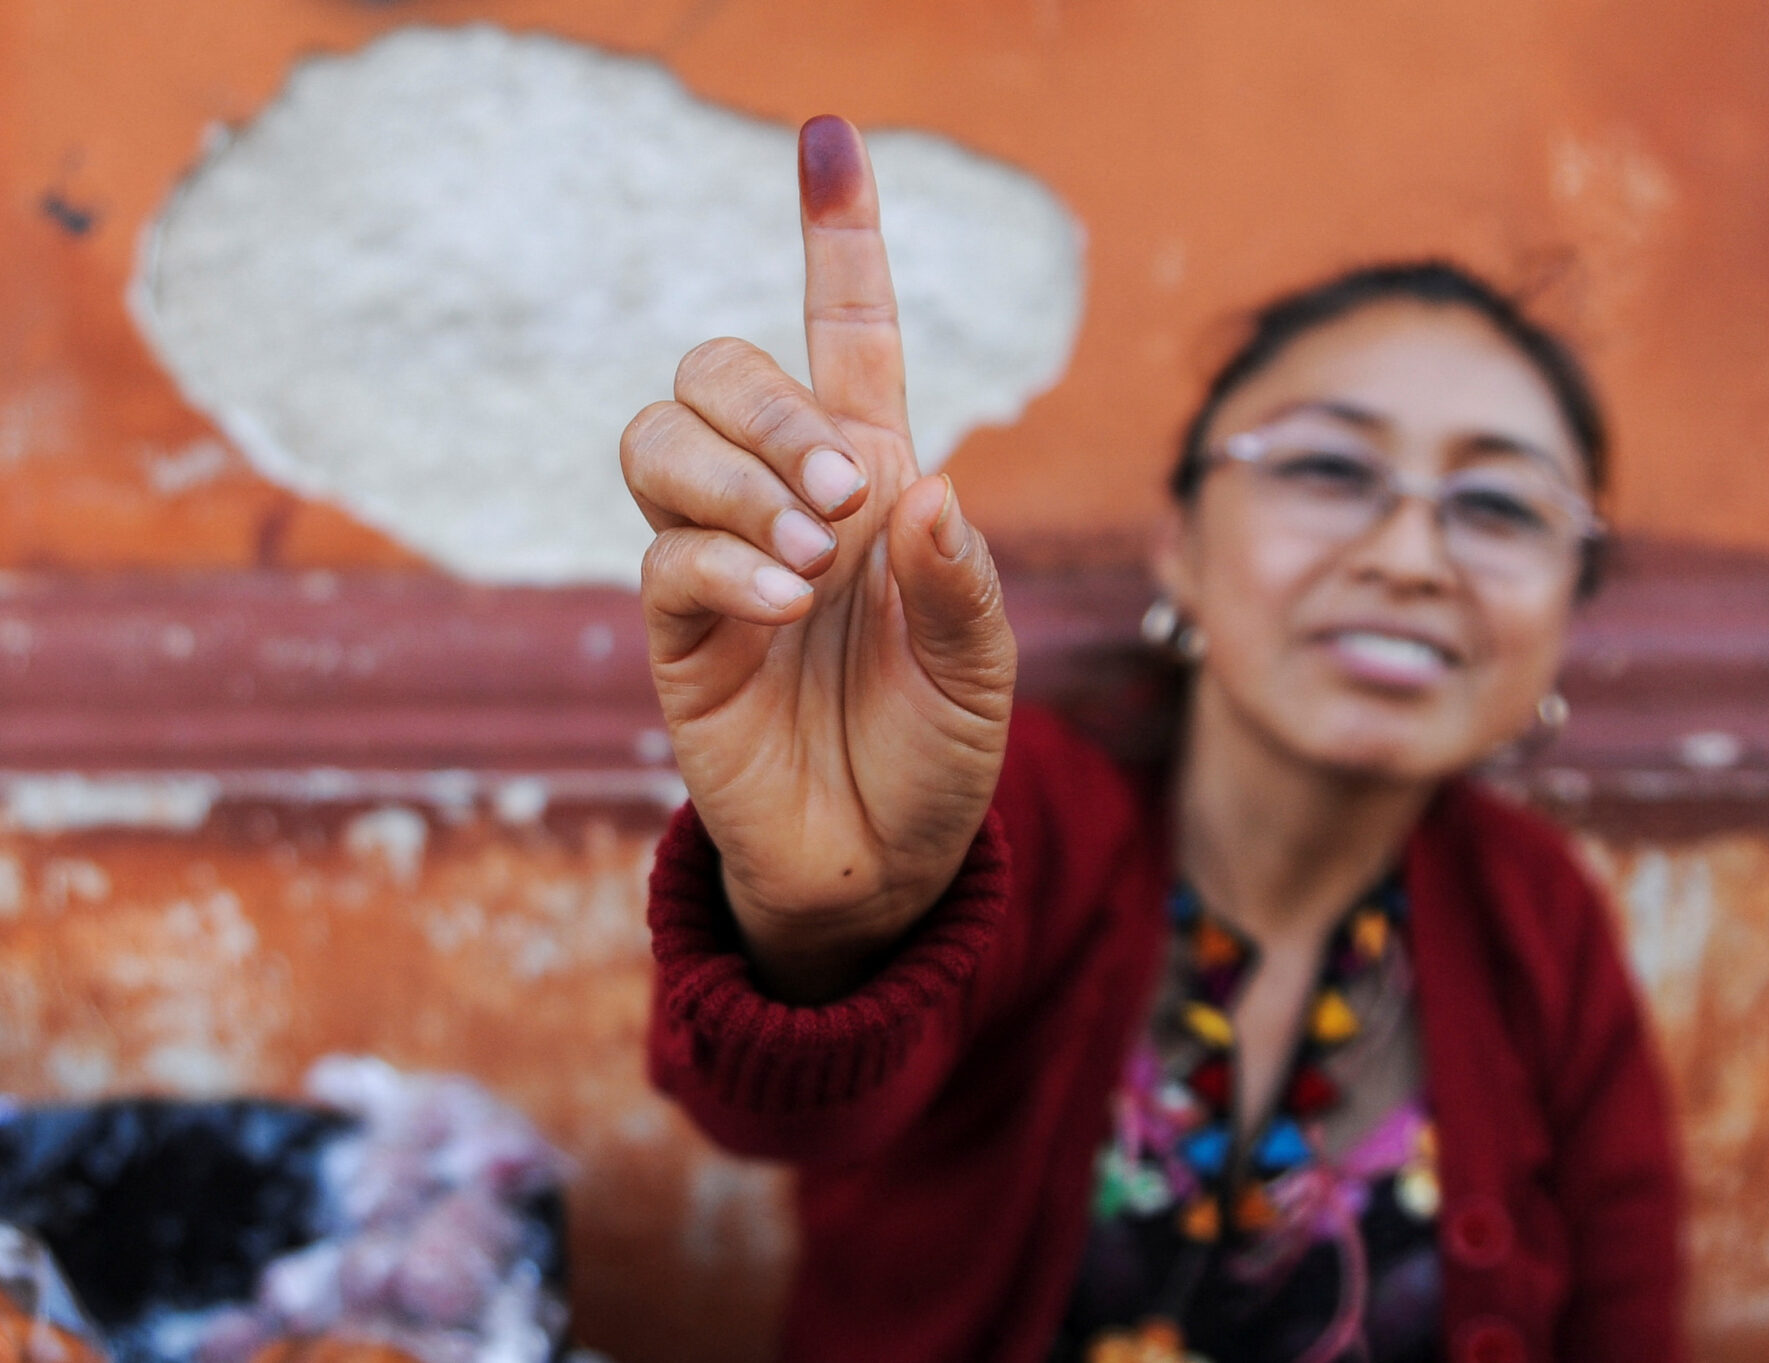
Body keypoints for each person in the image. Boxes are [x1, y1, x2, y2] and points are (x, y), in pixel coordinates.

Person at [619, 115, 1682, 1363]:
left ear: (1567, 603)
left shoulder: (1538, 928)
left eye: (1498, 503)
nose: (1407, 555)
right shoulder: (1013, 817)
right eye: (1329, 470)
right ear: (1179, 546)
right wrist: (824, 921)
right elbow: (768, 1116)